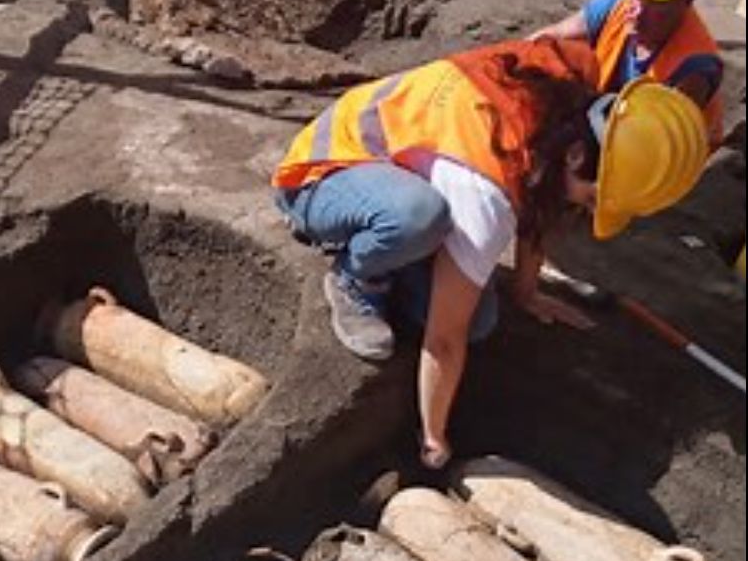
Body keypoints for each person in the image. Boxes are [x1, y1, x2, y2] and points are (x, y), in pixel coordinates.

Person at [272, 38, 708, 469]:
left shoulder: (572, 91)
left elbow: (544, 196)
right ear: (577, 155)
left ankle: (398, 260)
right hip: (323, 176)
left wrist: (526, 291)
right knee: (418, 219)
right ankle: (356, 277)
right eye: (594, 197)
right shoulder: (483, 196)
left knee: (479, 321)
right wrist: (433, 436)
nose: (589, 209)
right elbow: (444, 341)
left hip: (402, 169)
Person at [529, 0, 723, 145]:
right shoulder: (621, 1)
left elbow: (655, 144)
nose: (637, 15)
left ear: (685, 4)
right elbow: (552, 37)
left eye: (656, 8)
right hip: (612, 114)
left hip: (661, 154)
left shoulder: (694, 67)